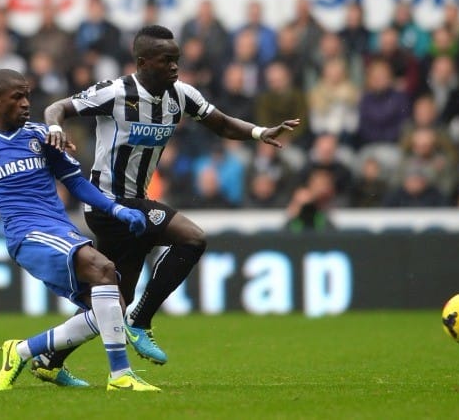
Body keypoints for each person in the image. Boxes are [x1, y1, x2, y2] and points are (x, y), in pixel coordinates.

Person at [43, 25, 299, 367]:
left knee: (113, 299)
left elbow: (221, 124)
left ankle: (50, 357)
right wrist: (56, 128)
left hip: (135, 203)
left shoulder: (182, 95)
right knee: (192, 238)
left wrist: (259, 132)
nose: (175, 67)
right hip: (106, 202)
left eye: (177, 60)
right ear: (143, 62)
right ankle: (141, 321)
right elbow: (57, 107)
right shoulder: (116, 92)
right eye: (168, 60)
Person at [0, 69, 160, 392]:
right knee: (104, 269)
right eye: (17, 97)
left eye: (28, 96)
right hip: (27, 235)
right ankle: (120, 375)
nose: (26, 103)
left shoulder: (42, 134)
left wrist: (116, 208)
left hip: (60, 229)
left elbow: (75, 182)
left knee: (111, 309)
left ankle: (22, 351)